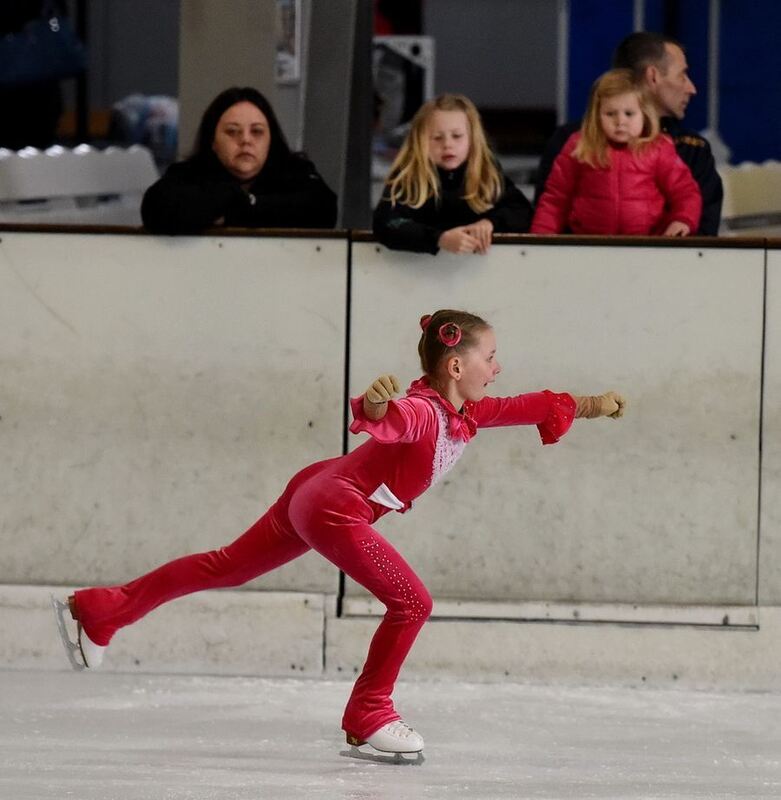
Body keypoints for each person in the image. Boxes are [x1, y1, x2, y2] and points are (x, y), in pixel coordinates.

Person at [53, 309, 626, 760]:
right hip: (334, 506)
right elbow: (391, 417)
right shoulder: (425, 411)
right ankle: (369, 713)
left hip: (319, 487)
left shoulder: (468, 411)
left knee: (223, 564)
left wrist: (595, 404)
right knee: (412, 603)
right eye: (490, 358)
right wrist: (376, 401)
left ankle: (103, 611)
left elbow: (532, 405)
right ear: (456, 366)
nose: (497, 368)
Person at [534, 32, 723, 236]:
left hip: (658, 260)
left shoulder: (687, 148)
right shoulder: (575, 142)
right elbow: (552, 203)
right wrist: (540, 246)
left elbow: (699, 228)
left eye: (629, 114)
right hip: (583, 259)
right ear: (653, 76)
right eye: (682, 75)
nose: (692, 88)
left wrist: (679, 226)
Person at [141, 87, 337, 234]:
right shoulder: (189, 173)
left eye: (257, 132)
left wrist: (234, 211)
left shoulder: (295, 171)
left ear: (271, 140)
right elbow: (156, 209)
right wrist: (243, 203)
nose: (245, 140)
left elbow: (323, 210)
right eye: (232, 132)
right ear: (213, 141)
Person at [373, 94, 533, 255]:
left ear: (473, 139)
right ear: (419, 141)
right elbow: (385, 223)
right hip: (417, 274)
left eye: (457, 136)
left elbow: (522, 212)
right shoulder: (409, 178)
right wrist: (439, 238)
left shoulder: (487, 175)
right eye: (437, 138)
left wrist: (490, 223)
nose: (448, 145)